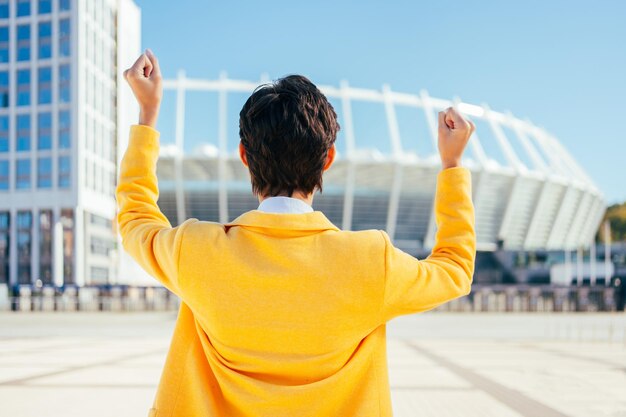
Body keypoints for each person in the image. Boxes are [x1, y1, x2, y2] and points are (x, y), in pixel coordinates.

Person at [117, 49, 476, 417]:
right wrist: (452, 165)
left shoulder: (196, 251)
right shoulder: (370, 262)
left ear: (244, 155)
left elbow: (135, 219)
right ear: (328, 159)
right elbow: (455, 271)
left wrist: (147, 116)